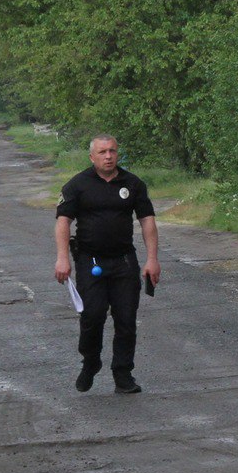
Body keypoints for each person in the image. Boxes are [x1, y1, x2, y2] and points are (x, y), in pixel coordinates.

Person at [54, 136, 159, 394]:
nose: (108, 156)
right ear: (92, 157)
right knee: (92, 315)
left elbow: (147, 220)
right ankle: (90, 361)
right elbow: (63, 221)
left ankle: (123, 375)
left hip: (124, 261)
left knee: (126, 319)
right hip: (90, 261)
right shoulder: (78, 185)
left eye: (112, 151)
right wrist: (62, 257)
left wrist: (152, 259)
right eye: (102, 152)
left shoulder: (132, 184)